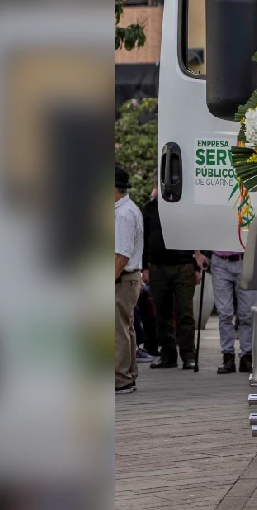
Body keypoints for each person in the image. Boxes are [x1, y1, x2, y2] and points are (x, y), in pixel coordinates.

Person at [142, 192, 203, 370]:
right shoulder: (150, 208)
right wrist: (144, 266)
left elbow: (196, 233)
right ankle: (167, 355)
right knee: (161, 312)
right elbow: (144, 239)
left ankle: (188, 355)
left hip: (183, 264)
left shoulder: (187, 206)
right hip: (157, 265)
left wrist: (197, 265)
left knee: (185, 312)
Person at [115, 166, 144, 394]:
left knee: (118, 330)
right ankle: (129, 373)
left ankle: (121, 378)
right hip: (128, 278)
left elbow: (121, 256)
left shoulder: (123, 214)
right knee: (127, 328)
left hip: (121, 278)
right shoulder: (127, 209)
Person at [211, 251, 257, 374]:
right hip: (220, 259)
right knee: (224, 313)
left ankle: (247, 355)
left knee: (248, 313)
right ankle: (228, 356)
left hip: (246, 259)